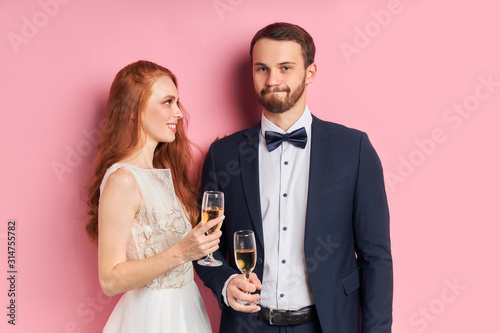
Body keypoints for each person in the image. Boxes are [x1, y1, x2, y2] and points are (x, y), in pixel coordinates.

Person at [195, 23, 393, 332]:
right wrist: (225, 280)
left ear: (310, 72)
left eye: (285, 67)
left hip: (328, 325)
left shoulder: (354, 149)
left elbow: (376, 259)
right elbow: (204, 246)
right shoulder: (223, 154)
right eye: (262, 68)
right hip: (247, 325)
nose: (272, 80)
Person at [85, 60, 222, 332]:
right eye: (167, 102)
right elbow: (109, 280)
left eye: (177, 102)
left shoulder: (163, 173)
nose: (179, 113)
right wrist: (181, 252)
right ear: (134, 111)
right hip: (153, 318)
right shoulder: (123, 180)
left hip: (187, 310)